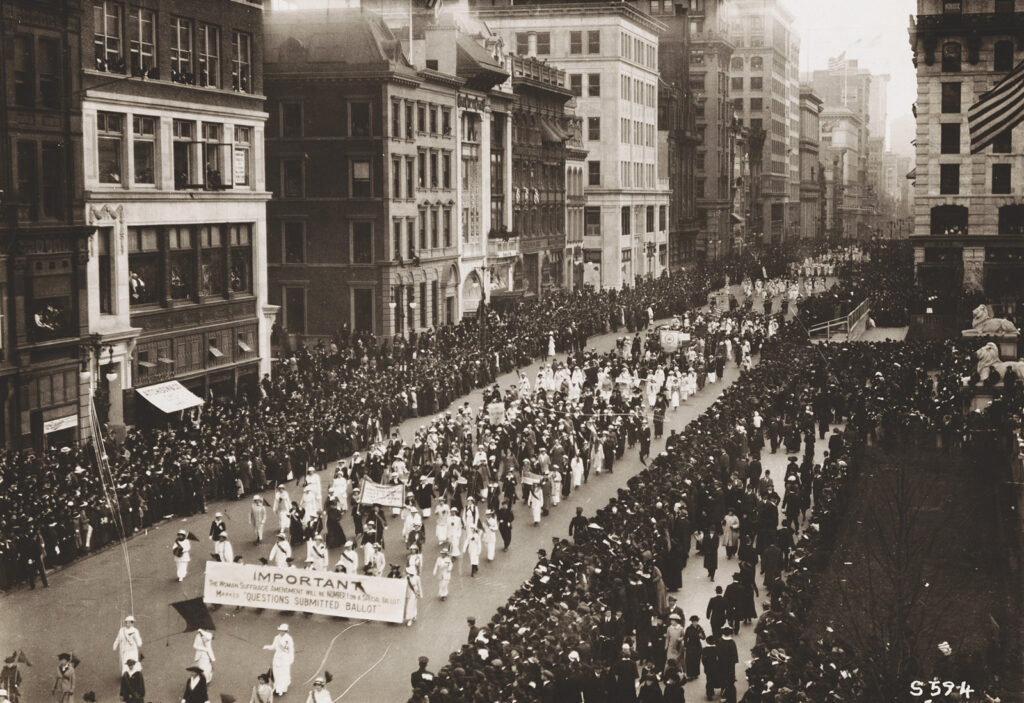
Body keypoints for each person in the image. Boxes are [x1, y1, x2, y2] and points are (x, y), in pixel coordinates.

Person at [263, 624, 294, 696]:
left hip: (285, 659)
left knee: (283, 674)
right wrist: (266, 647)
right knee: (276, 674)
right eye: (280, 630)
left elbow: (291, 650)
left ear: (286, 631)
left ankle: (282, 689)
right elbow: (273, 647)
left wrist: (291, 659)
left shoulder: (288, 639)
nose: (281, 632)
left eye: (283, 631)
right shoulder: (276, 638)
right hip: (277, 658)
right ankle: (277, 688)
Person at [717, 626, 739, 703]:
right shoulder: (732, 643)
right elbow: (734, 655)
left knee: (722, 676)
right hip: (730, 664)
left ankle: (723, 689)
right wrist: (734, 661)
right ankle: (729, 689)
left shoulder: (719, 641)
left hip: (721, 663)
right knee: (730, 676)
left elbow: (717, 653)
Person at [682, 615, 706, 681]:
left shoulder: (699, 628)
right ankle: (690, 675)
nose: (695, 623)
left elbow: (704, 637)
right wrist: (685, 646)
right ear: (691, 622)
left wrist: (701, 636)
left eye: (696, 621)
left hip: (698, 646)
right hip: (690, 646)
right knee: (689, 661)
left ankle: (696, 674)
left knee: (697, 660)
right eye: (694, 622)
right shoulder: (688, 628)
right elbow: (685, 638)